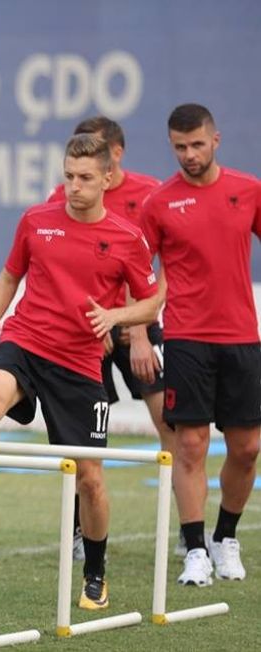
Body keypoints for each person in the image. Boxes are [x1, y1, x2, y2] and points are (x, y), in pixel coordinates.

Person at [0, 134, 161, 611]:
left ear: (108, 178)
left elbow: (152, 299)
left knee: (89, 478)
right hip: (25, 341)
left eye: (85, 178)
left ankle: (95, 572)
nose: (73, 186)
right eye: (68, 176)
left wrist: (117, 318)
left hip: (79, 365)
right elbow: (10, 277)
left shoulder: (127, 237)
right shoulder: (36, 220)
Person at [140, 103, 261, 587]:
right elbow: (135, 273)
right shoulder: (159, 203)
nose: (188, 155)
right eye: (179, 147)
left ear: (216, 140)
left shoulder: (248, 190)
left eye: (196, 145)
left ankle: (224, 537)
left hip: (242, 338)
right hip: (186, 337)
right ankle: (194, 550)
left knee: (248, 447)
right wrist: (134, 333)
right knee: (190, 444)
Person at [47, 116, 169, 560]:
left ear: (114, 157)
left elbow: (159, 269)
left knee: (170, 424)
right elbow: (57, 265)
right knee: (78, 441)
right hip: (84, 332)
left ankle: (186, 535)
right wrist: (87, 327)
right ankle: (80, 531)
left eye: (95, 157)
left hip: (135, 323)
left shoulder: (150, 195)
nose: (80, 176)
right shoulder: (62, 200)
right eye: (74, 167)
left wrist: (136, 333)